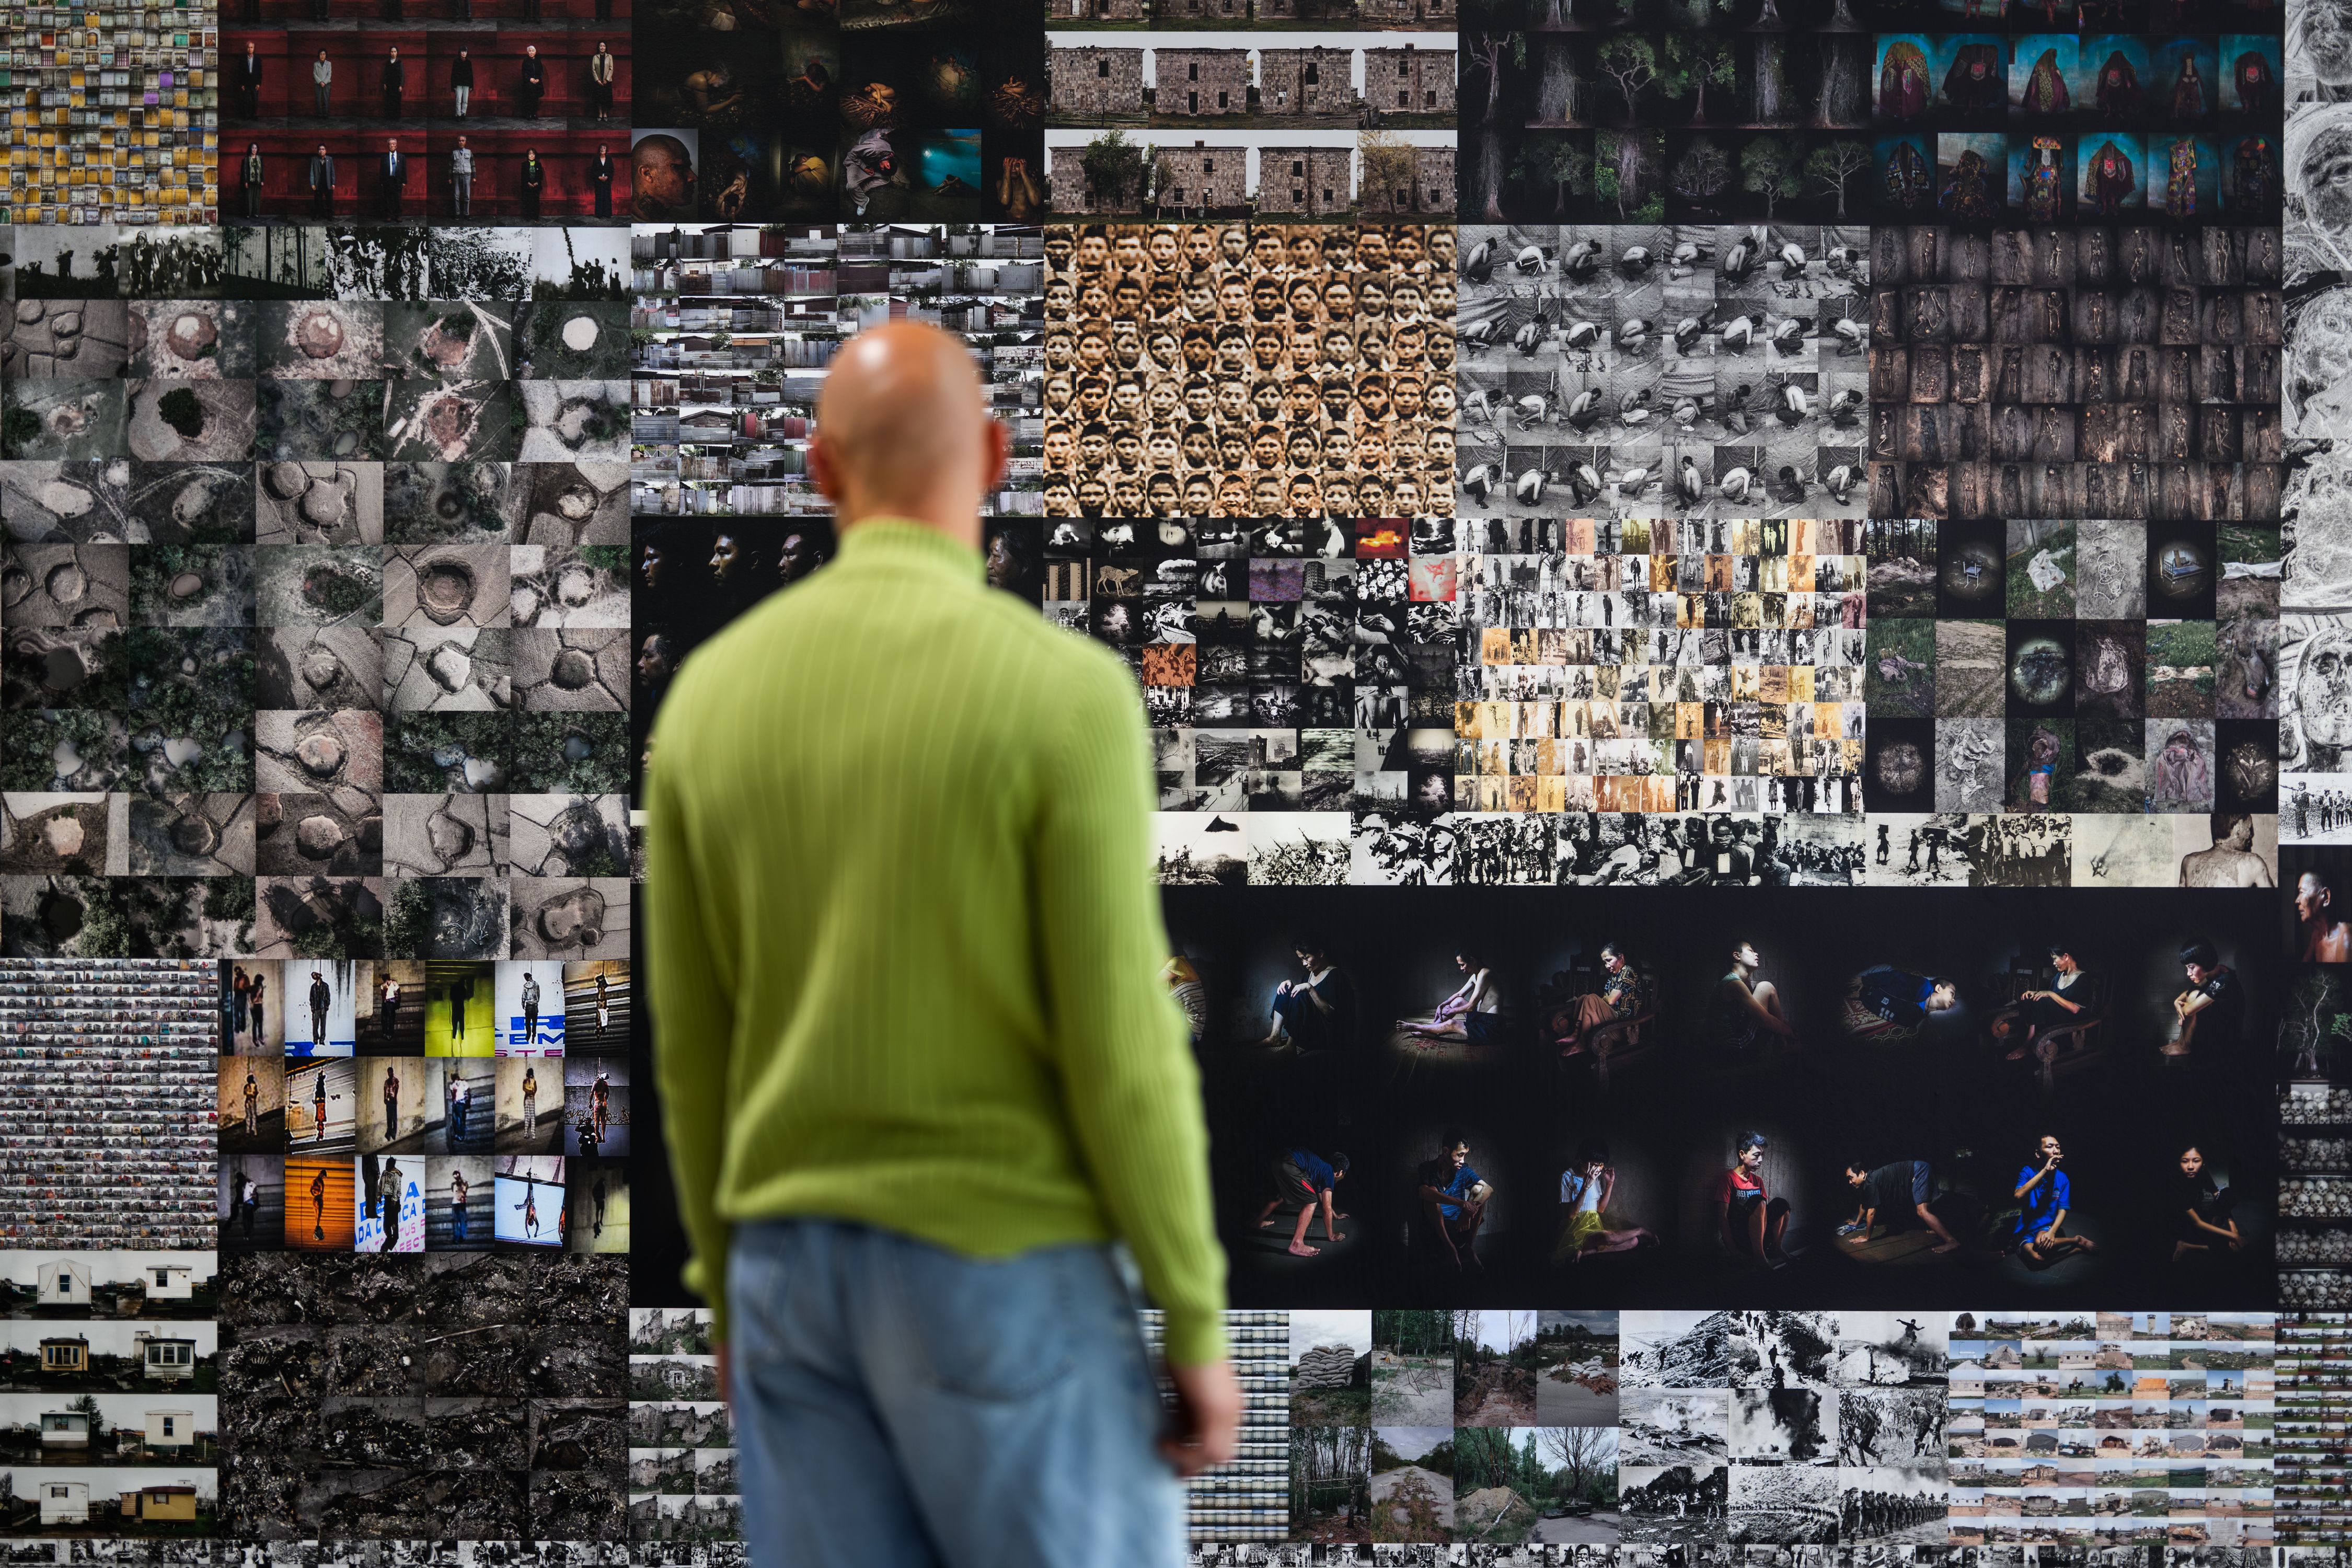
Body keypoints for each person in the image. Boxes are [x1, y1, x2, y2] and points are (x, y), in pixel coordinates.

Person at [645, 320, 1237, 1566]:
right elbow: (1121, 1044)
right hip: (1002, 1271)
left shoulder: (704, 702)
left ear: (817, 469)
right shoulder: (1063, 695)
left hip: (786, 1286)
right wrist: (1189, 1307)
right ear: (992, 454)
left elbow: (690, 1052)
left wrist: (722, 1294)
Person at [1552, 1139, 1657, 1264]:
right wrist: (1585, 1187)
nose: (1598, 1169)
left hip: (1594, 1226)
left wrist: (1610, 1184)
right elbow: (1570, 1216)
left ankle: (1584, 1253)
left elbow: (1600, 1209)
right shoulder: (1567, 1177)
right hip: (1576, 1230)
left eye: (1601, 1165)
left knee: (1633, 1241)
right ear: (1581, 1159)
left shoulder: (1596, 1178)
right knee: (1609, 1237)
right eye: (1595, 1164)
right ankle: (1641, 1231)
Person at [1254, 939, 1358, 1054]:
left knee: (1302, 994)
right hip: (1308, 1029)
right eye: (1301, 959)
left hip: (1328, 1035)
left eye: (1306, 958)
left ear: (1320, 954)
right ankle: (1275, 1037)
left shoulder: (1336, 976)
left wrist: (1309, 988)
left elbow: (1331, 1014)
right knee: (1285, 990)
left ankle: (1291, 1047)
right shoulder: (1309, 975)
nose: (1304, 963)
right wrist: (1291, 987)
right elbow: (1302, 1005)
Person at [1993, 944, 2092, 1063]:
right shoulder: (2059, 976)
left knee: (2040, 1001)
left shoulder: (2083, 978)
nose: (2054, 963)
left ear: (2066, 957)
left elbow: (2075, 1009)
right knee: (2029, 999)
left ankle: (2028, 1044)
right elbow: (2051, 1000)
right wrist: (2036, 993)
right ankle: (2006, 1024)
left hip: (2071, 1019)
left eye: (2055, 959)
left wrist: (2050, 994)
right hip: (2055, 1016)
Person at [1840, 1159, 1962, 1254]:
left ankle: (1952, 1242)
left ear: (1861, 1174)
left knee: (1922, 1211)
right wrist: (1856, 1223)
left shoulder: (1872, 1182)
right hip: (1920, 1168)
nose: (1850, 1182)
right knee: (1925, 1208)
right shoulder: (1869, 1182)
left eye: (1851, 1178)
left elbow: (1871, 1212)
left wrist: (1867, 1237)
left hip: (1919, 1170)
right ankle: (1937, 1228)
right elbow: (1864, 1204)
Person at [1551, 942, 1645, 1060]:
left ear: (1621, 957)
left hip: (1623, 1028)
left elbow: (1610, 1000)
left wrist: (1598, 1000)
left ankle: (1582, 1042)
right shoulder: (1615, 976)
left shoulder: (1628, 971)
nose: (1607, 965)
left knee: (1591, 998)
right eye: (1605, 962)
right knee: (1583, 998)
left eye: (1609, 960)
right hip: (1611, 1022)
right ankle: (1577, 1034)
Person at [2011, 1134, 2096, 1265]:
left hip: (2046, 1226)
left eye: (2058, 1147)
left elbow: (2063, 1210)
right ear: (2038, 1154)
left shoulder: (2063, 1178)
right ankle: (2076, 1247)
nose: (2056, 1151)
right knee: (2037, 1260)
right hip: (2026, 1228)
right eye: (2050, 1147)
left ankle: (2078, 1240)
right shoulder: (2027, 1171)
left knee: (2041, 1242)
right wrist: (2045, 1170)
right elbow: (2018, 1195)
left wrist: (2052, 1232)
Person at [1415, 1129, 1490, 1272]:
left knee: (1480, 1194)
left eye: (1465, 1155)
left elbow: (1487, 1189)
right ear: (1445, 1151)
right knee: (1432, 1192)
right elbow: (1422, 1192)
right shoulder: (1427, 1168)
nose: (1463, 1160)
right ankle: (1450, 1248)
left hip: (1459, 1228)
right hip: (1435, 1233)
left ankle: (1468, 1248)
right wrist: (1461, 1204)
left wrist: (1467, 1213)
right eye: (1460, 1155)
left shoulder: (1463, 1169)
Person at [1253, 1147, 1347, 1258]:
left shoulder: (1320, 1168)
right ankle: (1297, 1244)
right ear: (1340, 1172)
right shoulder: (1329, 1173)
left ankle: (1257, 1222)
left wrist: (1335, 1216)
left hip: (1278, 1161)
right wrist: (1331, 1236)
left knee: (1280, 1196)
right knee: (1312, 1201)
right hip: (1291, 1163)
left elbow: (1324, 1199)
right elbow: (1326, 1208)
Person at [1719, 1131, 1791, 1269]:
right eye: (1757, 1155)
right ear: (1742, 1155)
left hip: (1758, 1237)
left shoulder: (1758, 1181)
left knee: (1782, 1204)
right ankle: (1760, 1258)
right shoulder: (1728, 1179)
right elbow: (1722, 1217)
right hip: (1740, 1238)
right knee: (1759, 1200)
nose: (1761, 1160)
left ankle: (1777, 1247)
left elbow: (1764, 1215)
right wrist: (1733, 1250)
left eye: (1762, 1155)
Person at [1714, 940, 1798, 1056]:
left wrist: (1784, 1025)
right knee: (1766, 987)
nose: (1756, 954)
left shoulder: (1744, 983)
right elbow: (1763, 1020)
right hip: (1732, 1047)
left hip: (1735, 1042)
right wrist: (1788, 1031)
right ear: (1737, 956)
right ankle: (1783, 1044)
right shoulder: (1733, 983)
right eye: (1751, 950)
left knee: (1780, 1021)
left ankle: (1783, 1043)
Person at [1396, 952, 1499, 1044]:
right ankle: (1431, 1031)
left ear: (1472, 960)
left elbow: (1471, 1007)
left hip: (1491, 1027)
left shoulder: (1485, 973)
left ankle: (1415, 1027)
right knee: (1458, 1001)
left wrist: (1451, 1011)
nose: (1461, 968)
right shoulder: (1476, 975)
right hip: (1480, 1018)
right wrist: (1442, 1005)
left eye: (1463, 965)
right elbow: (1459, 995)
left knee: (1452, 1023)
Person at [2170, 940, 2244, 1057]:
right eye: (2187, 968)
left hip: (2226, 1033)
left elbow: (2188, 1010)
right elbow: (2189, 991)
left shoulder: (2223, 981)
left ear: (2205, 963)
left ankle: (2185, 1047)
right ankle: (2181, 1042)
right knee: (2193, 994)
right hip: (2216, 1022)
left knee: (2194, 997)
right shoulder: (2217, 970)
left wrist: (2181, 1009)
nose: (2188, 973)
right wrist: (2176, 1002)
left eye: (2191, 967)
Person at [2173, 1144, 2241, 1263]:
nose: (2190, 1167)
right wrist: (2234, 1237)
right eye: (2185, 1161)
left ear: (2203, 1163)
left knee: (2227, 1193)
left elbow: (2220, 1198)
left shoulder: (2203, 1173)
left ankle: (2212, 1235)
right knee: (2229, 1248)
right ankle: (2186, 1246)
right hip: (2185, 1224)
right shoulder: (2177, 1184)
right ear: (2179, 1164)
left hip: (2201, 1215)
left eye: (2196, 1161)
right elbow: (2197, 1223)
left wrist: (2233, 1228)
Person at [1853, 966, 1958, 1030]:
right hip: (1881, 973)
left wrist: (1863, 996)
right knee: (1852, 980)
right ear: (1939, 988)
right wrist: (1865, 980)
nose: (1954, 999)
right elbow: (1895, 976)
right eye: (1952, 993)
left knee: (1848, 990)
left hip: (1870, 992)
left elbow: (1883, 1012)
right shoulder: (1924, 987)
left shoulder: (1915, 1018)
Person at [2299, 869, 2352, 962]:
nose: (2297, 901)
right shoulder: (2317, 934)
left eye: (2302, 892)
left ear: (2325, 897)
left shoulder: (2345, 934)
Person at [379, 137, 407, 220]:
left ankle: (398, 216)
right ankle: (389, 215)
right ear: (388, 146)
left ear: (396, 146)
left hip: (397, 180)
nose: (392, 146)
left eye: (393, 144)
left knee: (398, 199)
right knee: (388, 198)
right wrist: (382, 181)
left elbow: (404, 169)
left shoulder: (402, 157)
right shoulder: (384, 157)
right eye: (390, 144)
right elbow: (382, 170)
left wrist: (404, 181)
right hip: (388, 180)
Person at [380, 1157, 403, 1249]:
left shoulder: (396, 1175)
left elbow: (397, 1189)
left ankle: (394, 1238)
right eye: (386, 1164)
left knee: (394, 1222)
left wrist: (394, 1200)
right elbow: (381, 1184)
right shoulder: (385, 1173)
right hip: (387, 1199)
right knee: (387, 1223)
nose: (386, 1166)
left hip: (394, 1201)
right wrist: (379, 1195)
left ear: (392, 1166)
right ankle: (390, 1239)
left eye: (388, 1165)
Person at [589, 42, 615, 122]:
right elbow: (593, 69)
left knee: (606, 98)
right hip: (598, 82)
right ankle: (600, 114)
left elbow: (611, 69)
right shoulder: (595, 57)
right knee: (599, 98)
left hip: (607, 82)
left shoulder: (609, 57)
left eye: (604, 46)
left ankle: (605, 114)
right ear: (598, 47)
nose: (602, 47)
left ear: (606, 48)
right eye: (601, 46)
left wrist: (607, 80)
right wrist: (597, 80)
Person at [237, 42, 263, 118]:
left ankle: (254, 115)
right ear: (247, 49)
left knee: (255, 99)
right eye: (249, 47)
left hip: (255, 82)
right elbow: (240, 73)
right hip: (246, 82)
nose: (250, 49)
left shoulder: (258, 60)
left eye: (252, 47)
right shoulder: (242, 60)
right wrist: (242, 84)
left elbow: (260, 72)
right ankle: (246, 115)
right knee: (246, 99)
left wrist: (259, 83)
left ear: (254, 49)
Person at [308, 144, 335, 217]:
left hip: (328, 184)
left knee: (329, 200)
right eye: (320, 149)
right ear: (318, 152)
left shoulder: (330, 159)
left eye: (323, 149)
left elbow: (332, 172)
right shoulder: (314, 159)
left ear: (326, 151)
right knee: (318, 200)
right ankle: (317, 215)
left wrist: (333, 183)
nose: (321, 151)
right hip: (318, 184)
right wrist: (312, 184)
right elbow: (311, 172)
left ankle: (330, 215)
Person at [450, 137, 474, 217]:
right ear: (458, 142)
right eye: (460, 141)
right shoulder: (454, 153)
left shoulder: (469, 152)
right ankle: (457, 214)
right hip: (456, 176)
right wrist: (450, 178)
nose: (461, 142)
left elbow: (473, 165)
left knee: (467, 196)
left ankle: (466, 214)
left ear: (465, 142)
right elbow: (450, 166)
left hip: (467, 176)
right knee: (456, 195)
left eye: (463, 141)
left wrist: (474, 176)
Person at [518, 45, 545, 119]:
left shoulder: (538, 61)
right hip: (529, 83)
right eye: (530, 51)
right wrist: (529, 79)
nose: (531, 52)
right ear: (528, 52)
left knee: (536, 99)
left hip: (537, 83)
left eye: (533, 51)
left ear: (535, 52)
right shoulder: (526, 61)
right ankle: (529, 114)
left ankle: (534, 114)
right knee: (529, 99)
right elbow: (524, 72)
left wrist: (539, 79)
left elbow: (541, 72)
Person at [380, 47, 405, 120]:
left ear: (397, 53)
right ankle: (389, 117)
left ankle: (396, 118)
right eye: (392, 52)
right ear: (390, 53)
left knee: (396, 101)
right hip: (389, 86)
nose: (393, 53)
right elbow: (385, 74)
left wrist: (401, 85)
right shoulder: (388, 63)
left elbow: (402, 75)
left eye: (395, 52)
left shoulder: (400, 63)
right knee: (389, 101)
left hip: (397, 86)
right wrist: (385, 83)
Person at [310, 969, 331, 1052]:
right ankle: (315, 1039)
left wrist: (326, 1006)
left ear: (319, 976)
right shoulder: (313, 987)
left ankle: (322, 1040)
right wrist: (312, 1008)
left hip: (323, 1008)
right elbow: (311, 998)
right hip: (316, 1009)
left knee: (323, 1025)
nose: (314, 978)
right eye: (313, 977)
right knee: (315, 1026)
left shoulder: (325, 986)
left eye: (315, 976)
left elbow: (328, 997)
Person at [520, 149, 544, 221]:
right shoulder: (524, 164)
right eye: (530, 154)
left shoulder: (538, 164)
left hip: (536, 187)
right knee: (527, 202)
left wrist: (537, 182)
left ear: (535, 155)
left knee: (536, 202)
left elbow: (541, 175)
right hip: (527, 186)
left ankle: (536, 217)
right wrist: (528, 183)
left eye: (533, 154)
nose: (531, 155)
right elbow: (523, 176)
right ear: (527, 155)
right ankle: (528, 217)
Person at [591, 146, 614, 218]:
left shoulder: (609, 159)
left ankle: (607, 214)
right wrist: (599, 177)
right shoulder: (596, 159)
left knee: (607, 197)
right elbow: (593, 171)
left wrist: (607, 177)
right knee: (599, 197)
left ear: (606, 150)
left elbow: (612, 170)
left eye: (604, 148)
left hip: (607, 181)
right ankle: (599, 214)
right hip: (598, 181)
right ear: (599, 150)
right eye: (601, 148)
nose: (602, 149)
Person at [451, 49, 474, 119]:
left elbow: (471, 74)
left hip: (467, 84)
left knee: (465, 100)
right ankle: (458, 115)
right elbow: (453, 73)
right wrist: (453, 85)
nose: (464, 53)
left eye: (465, 51)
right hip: (458, 84)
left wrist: (471, 85)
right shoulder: (456, 61)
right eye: (462, 51)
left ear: (467, 53)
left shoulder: (469, 62)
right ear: (460, 53)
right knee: (458, 100)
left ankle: (463, 114)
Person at [521, 971, 541, 1049]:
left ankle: (528, 1035)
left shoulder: (525, 986)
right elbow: (538, 995)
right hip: (535, 1006)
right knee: (535, 1022)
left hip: (529, 1006)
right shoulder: (536, 984)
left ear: (527, 978)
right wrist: (536, 1001)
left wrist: (523, 1004)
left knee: (528, 1022)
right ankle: (534, 1035)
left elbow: (524, 996)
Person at [450, 1168, 470, 1242]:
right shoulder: (455, 1184)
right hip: (456, 1204)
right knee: (457, 1221)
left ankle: (462, 1237)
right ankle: (458, 1237)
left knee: (462, 1221)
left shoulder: (464, 1184)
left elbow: (465, 1191)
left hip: (461, 1204)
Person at [383, 1064, 401, 1143]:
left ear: (393, 1072)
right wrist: (385, 1099)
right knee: (389, 1118)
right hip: (388, 1101)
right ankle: (389, 1134)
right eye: (388, 1072)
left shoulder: (396, 1080)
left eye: (390, 1072)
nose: (389, 1074)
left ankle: (394, 1133)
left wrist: (395, 1098)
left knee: (394, 1119)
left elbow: (396, 1090)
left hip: (393, 1101)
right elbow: (385, 1091)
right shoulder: (386, 1082)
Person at [381, 971, 401, 1040]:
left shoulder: (394, 983)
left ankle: (390, 1034)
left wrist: (397, 1004)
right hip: (386, 1003)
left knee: (391, 1019)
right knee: (385, 1019)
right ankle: (386, 1033)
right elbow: (383, 996)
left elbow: (398, 994)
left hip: (391, 1003)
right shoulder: (383, 985)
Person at [309, 1166, 328, 1242]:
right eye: (323, 1176)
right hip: (319, 1199)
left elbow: (311, 1191)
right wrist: (319, 1195)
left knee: (316, 1215)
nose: (324, 1178)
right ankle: (317, 1229)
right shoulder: (320, 1181)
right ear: (321, 1174)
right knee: (318, 1215)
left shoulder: (314, 1181)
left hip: (315, 1199)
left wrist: (314, 1196)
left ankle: (317, 1228)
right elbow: (322, 1191)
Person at [313, 50, 332, 118]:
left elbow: (329, 75)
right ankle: (319, 114)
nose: (323, 56)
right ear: (319, 55)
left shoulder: (329, 64)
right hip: (318, 84)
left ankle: (326, 114)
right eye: (321, 54)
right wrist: (320, 82)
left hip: (327, 84)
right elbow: (315, 74)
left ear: (326, 55)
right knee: (318, 100)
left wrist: (324, 82)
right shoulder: (316, 64)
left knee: (326, 100)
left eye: (324, 54)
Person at [251, 972, 268, 1049]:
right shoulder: (253, 988)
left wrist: (261, 992)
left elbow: (262, 998)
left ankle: (260, 1037)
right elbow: (253, 1001)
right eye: (261, 981)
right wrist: (258, 993)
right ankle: (255, 1039)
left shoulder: (261, 987)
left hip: (260, 1006)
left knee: (260, 1023)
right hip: (254, 1007)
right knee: (255, 1023)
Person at [522, 1064, 539, 1138]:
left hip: (527, 1099)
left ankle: (526, 1134)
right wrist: (532, 1093)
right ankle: (533, 1134)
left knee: (527, 1116)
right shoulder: (532, 1081)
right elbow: (535, 1089)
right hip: (531, 1098)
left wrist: (528, 1092)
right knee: (532, 1117)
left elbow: (524, 1089)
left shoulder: (526, 1081)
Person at [313, 1070, 329, 1144]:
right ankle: (320, 1078)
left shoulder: (319, 1118)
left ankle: (320, 1078)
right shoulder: (322, 1118)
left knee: (319, 1090)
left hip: (319, 1102)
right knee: (320, 1089)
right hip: (321, 1102)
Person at [243, 1069, 261, 1139]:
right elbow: (249, 1093)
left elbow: (255, 1093)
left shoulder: (253, 1086)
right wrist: (251, 1094)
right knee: (250, 1115)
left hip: (251, 1101)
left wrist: (250, 1094)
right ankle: (249, 1130)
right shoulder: (249, 1086)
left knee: (252, 1115)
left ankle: (253, 1129)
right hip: (249, 1101)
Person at [594, 972, 610, 1044]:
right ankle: (602, 984)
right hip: (602, 1009)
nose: (598, 1029)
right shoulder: (604, 1024)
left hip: (600, 1009)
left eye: (597, 1032)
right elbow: (604, 1017)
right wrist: (604, 1010)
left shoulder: (598, 1025)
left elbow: (597, 1017)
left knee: (600, 998)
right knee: (602, 997)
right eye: (599, 1032)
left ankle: (601, 985)